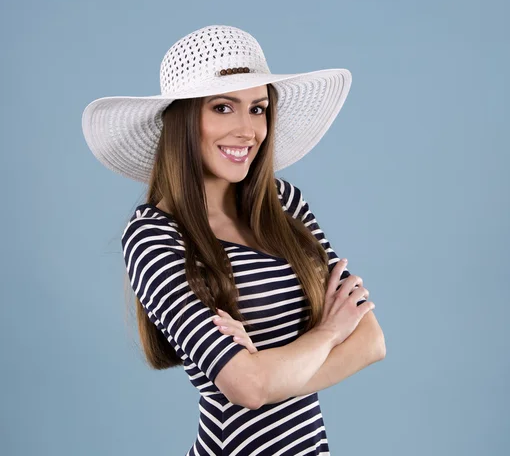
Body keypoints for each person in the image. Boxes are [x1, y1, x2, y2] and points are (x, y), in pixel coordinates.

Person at [82, 24, 385, 456]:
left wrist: (266, 375)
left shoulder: (283, 203)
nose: (248, 130)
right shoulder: (154, 237)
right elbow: (244, 385)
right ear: (185, 120)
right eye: (224, 108)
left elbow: (371, 341)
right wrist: (327, 334)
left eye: (258, 109)